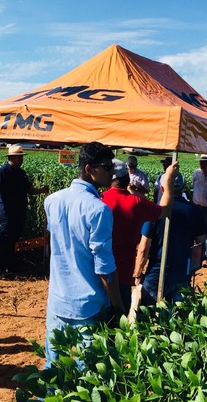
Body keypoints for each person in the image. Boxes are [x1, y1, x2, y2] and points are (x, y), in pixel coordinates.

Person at [43, 142, 125, 369]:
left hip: (57, 301)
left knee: (53, 370)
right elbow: (105, 268)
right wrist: (118, 307)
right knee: (89, 374)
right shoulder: (98, 209)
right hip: (88, 306)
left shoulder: (52, 200)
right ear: (89, 169)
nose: (113, 172)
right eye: (107, 167)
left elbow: (54, 247)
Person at [101, 158, 179, 309]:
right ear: (127, 179)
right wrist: (168, 180)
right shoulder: (137, 203)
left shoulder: (99, 198)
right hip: (123, 272)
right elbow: (166, 209)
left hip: (99, 273)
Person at [141, 173, 206, 304]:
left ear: (162, 188)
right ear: (182, 187)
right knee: (177, 314)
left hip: (157, 267)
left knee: (146, 312)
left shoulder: (155, 211)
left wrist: (138, 273)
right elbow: (201, 244)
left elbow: (144, 247)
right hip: (182, 267)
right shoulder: (194, 211)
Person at [0, 144, 49, 272]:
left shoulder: (21, 173)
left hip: (19, 211)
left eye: (21, 157)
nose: (21, 160)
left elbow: (29, 190)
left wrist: (41, 190)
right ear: (11, 157)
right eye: (19, 157)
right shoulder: (2, 172)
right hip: (6, 212)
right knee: (4, 238)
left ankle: (10, 266)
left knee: (13, 239)